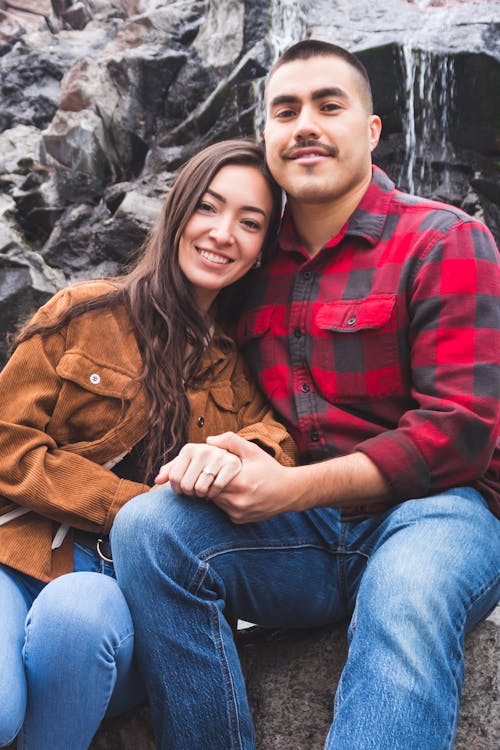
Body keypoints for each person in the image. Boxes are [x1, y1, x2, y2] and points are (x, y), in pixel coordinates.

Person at [111, 40, 500, 750]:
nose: (305, 124)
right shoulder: (250, 259)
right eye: (285, 110)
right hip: (303, 539)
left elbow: (459, 433)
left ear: (373, 130)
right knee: (149, 528)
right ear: (267, 136)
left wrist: (286, 489)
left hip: (438, 512)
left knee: (408, 588)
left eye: (329, 105)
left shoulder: (445, 239)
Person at [0, 138, 296, 750]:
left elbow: (278, 440)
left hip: (128, 601)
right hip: (16, 558)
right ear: (177, 212)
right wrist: (132, 507)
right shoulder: (81, 313)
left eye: (250, 223)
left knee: (80, 616)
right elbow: (6, 445)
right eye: (208, 208)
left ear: (264, 251)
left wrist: (249, 451)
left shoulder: (237, 368)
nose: (222, 233)